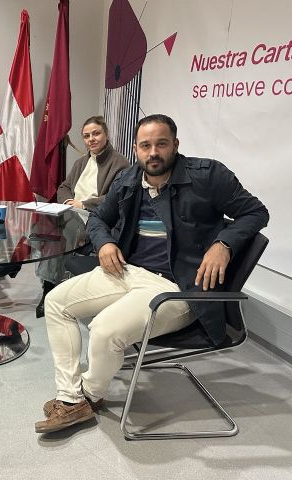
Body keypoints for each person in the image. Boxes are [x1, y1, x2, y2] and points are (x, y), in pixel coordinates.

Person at [35, 114, 269, 434]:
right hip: (127, 271)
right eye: (145, 146)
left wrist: (224, 244)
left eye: (161, 144)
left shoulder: (208, 175)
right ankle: (70, 396)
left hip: (177, 287)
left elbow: (256, 212)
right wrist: (105, 244)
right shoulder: (129, 179)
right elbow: (99, 219)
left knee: (103, 330)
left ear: (175, 144)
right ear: (136, 149)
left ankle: (84, 397)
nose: (153, 153)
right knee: (56, 302)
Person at [35, 116, 130, 318]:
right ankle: (28, 268)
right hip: (71, 212)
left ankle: (46, 288)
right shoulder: (81, 162)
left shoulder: (120, 163)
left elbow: (117, 196)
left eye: (96, 134)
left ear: (106, 134)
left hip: (94, 217)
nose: (91, 139)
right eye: (86, 136)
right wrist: (68, 202)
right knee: (42, 219)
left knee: (57, 234)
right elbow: (64, 187)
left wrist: (83, 204)